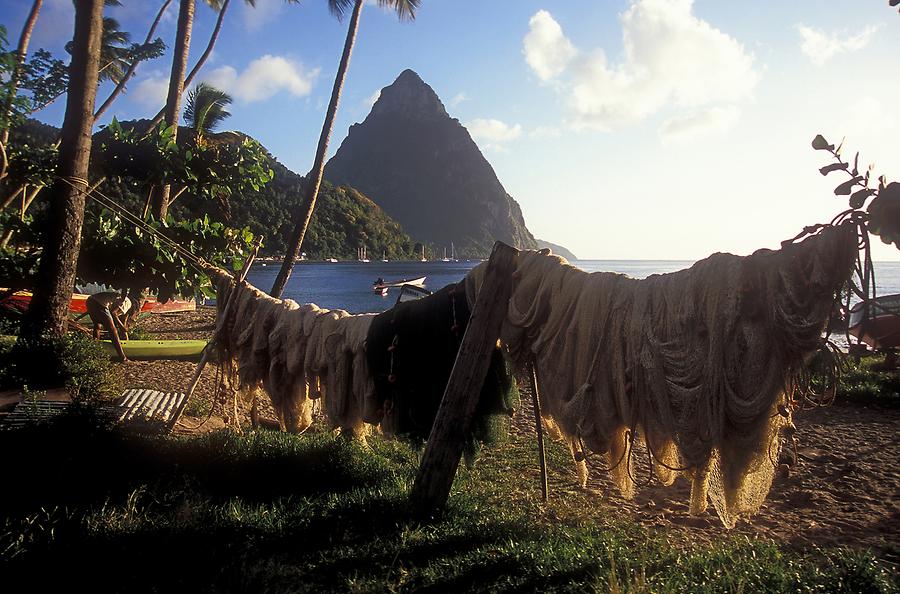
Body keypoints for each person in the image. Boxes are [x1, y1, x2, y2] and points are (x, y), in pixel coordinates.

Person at [86, 291, 131, 361]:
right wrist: (122, 327)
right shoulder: (127, 303)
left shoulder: (118, 298)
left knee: (97, 326)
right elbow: (114, 313)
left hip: (90, 300)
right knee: (112, 329)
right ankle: (123, 357)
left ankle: (95, 352)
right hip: (100, 303)